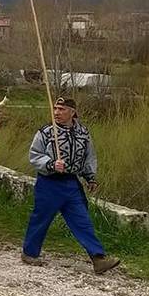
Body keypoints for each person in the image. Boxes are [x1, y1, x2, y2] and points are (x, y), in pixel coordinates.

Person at [21, 97, 120, 274]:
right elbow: (34, 155)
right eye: (55, 109)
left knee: (83, 221)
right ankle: (30, 252)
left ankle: (98, 258)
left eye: (62, 109)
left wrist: (90, 177)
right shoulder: (46, 132)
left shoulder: (83, 133)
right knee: (41, 218)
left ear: (72, 112)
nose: (57, 112)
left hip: (71, 184)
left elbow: (89, 157)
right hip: (49, 183)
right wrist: (50, 163)